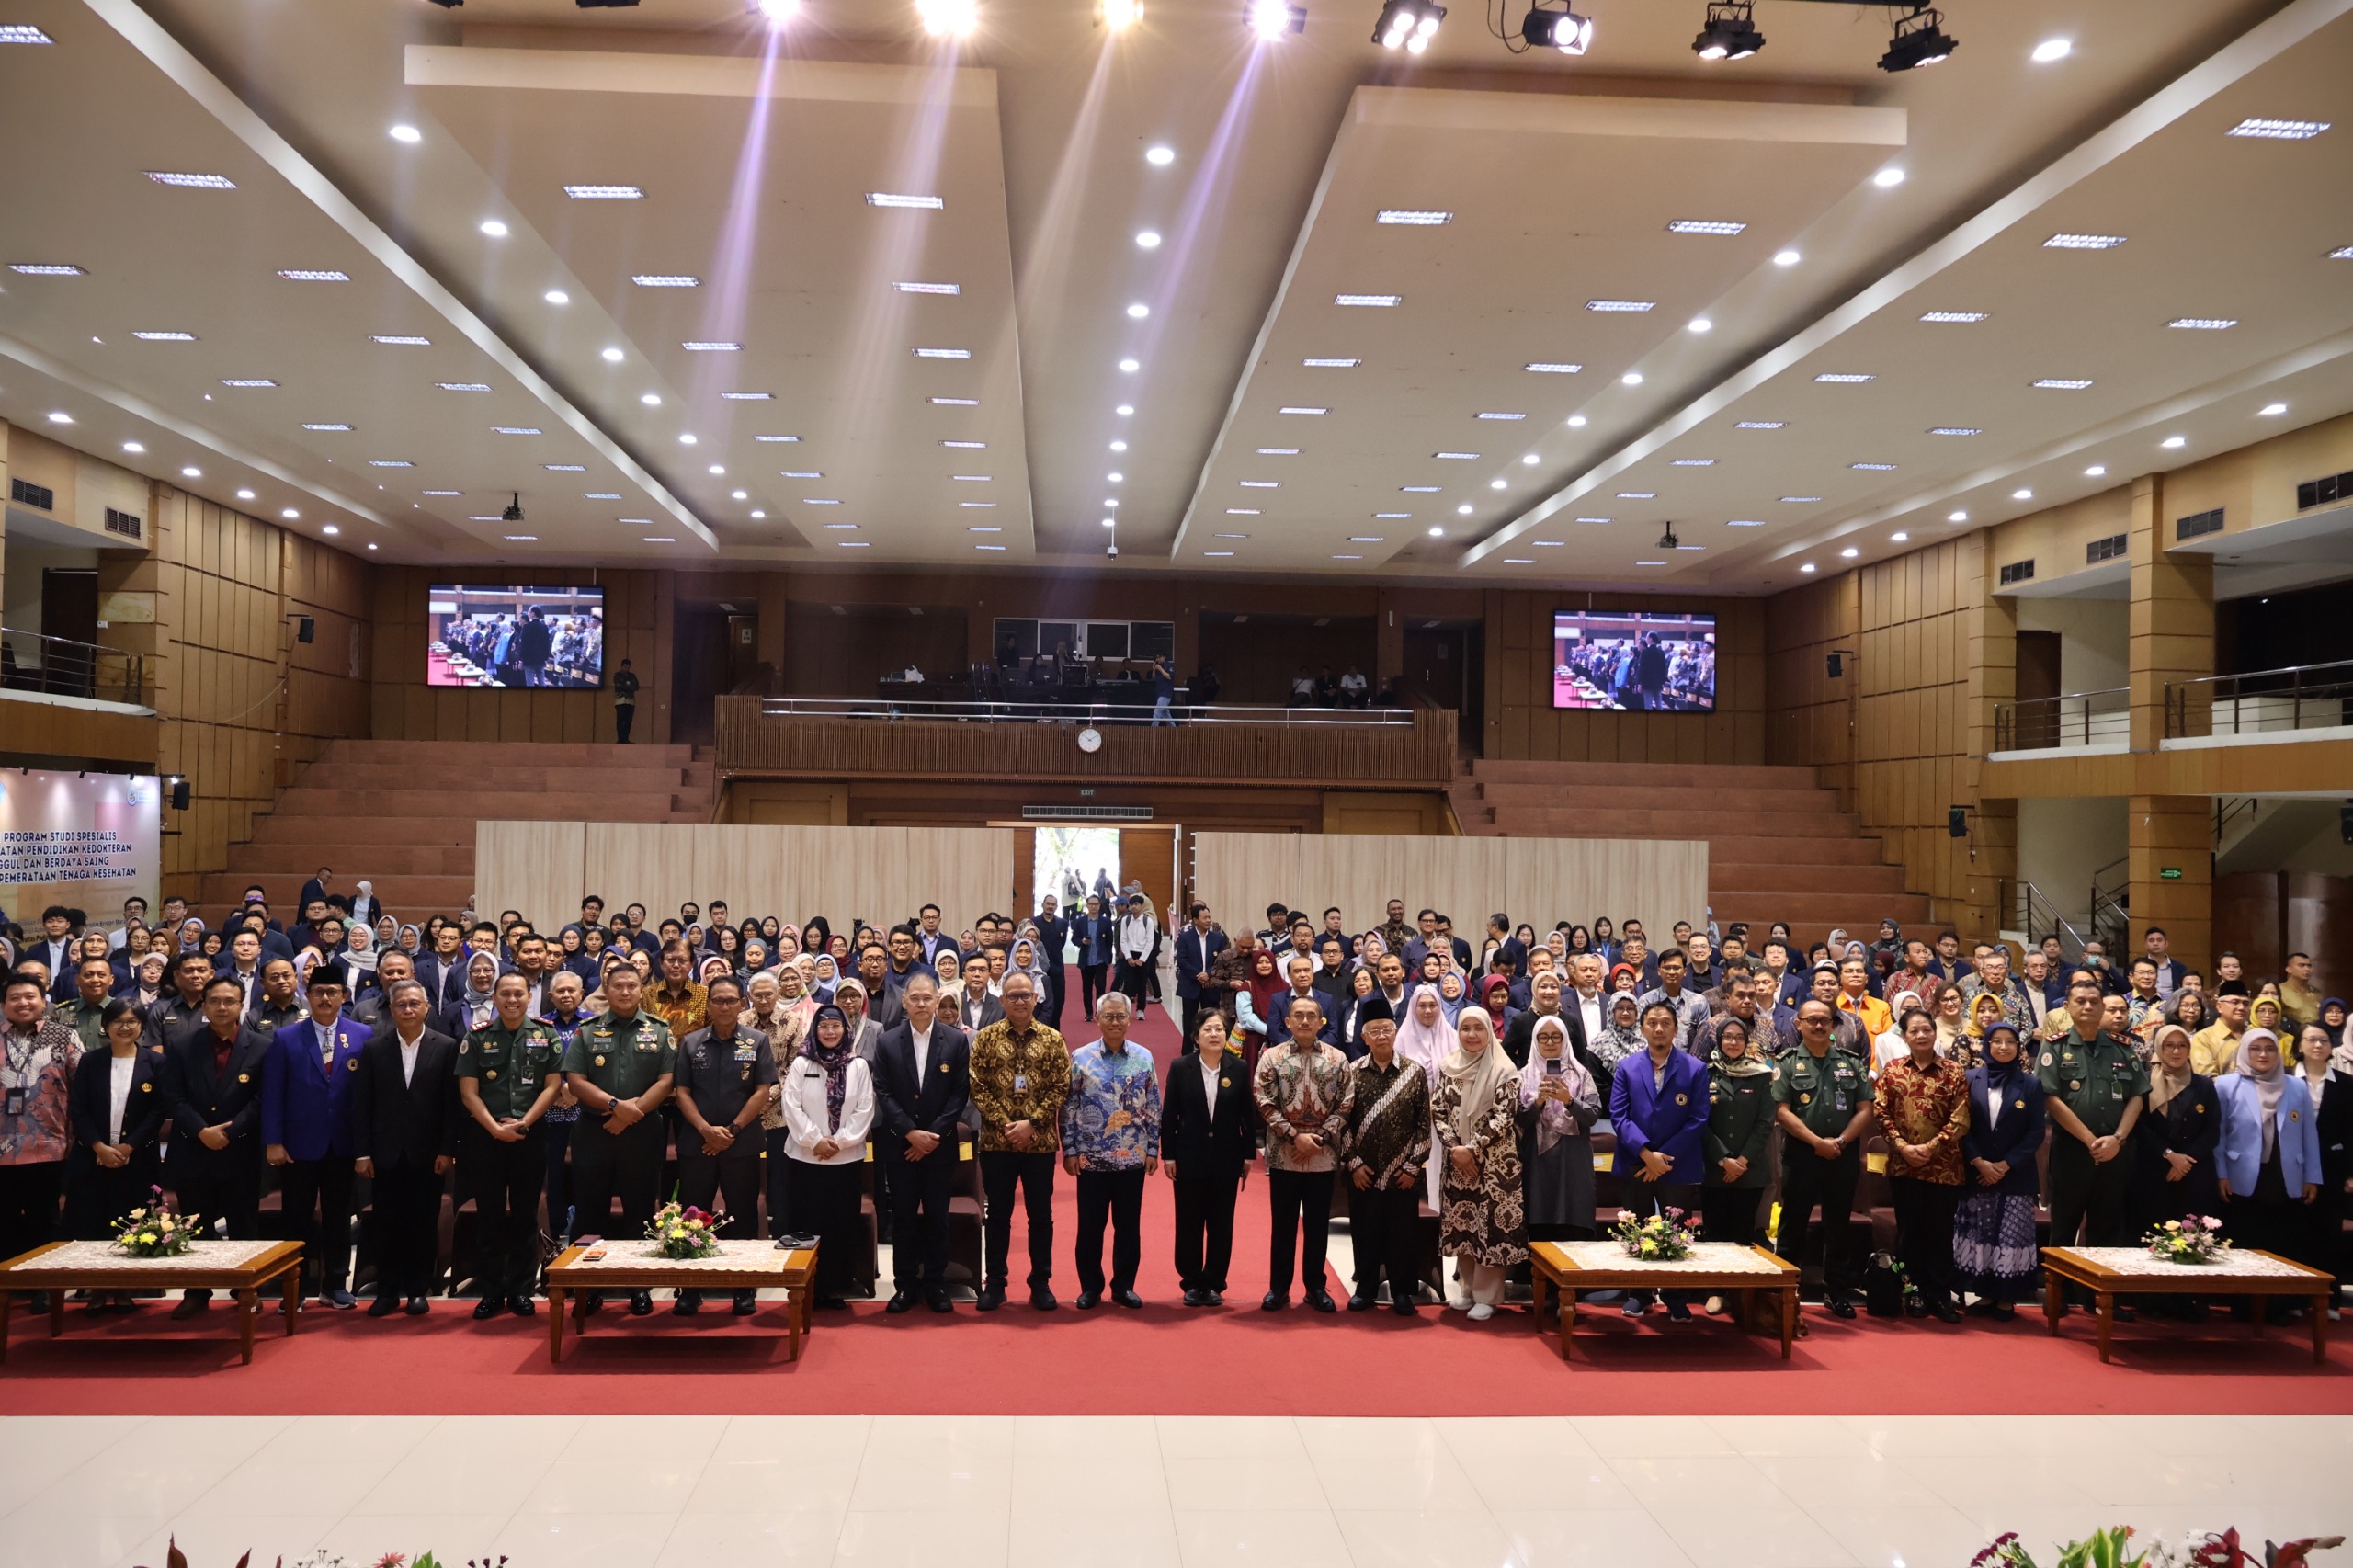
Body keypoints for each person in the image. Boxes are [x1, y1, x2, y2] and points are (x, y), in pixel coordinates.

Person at [560, 963, 676, 1316]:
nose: (625, 992)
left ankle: (638, 1287)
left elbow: (667, 1080)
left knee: (640, 1212)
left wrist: (630, 1114)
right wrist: (614, 1106)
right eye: (618, 986)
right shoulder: (587, 1031)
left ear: (642, 989)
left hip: (641, 1133)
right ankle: (588, 1287)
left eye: (632, 986)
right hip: (594, 1131)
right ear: (606, 991)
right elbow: (575, 1080)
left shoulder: (660, 1031)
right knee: (589, 1212)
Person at [452, 971, 564, 1319]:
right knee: (488, 1217)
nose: (512, 1000)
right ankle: (490, 1290)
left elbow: (552, 1086)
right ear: (496, 998)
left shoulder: (546, 1036)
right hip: (485, 1139)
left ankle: (519, 1289)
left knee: (524, 1215)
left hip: (530, 1137)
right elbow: (468, 1092)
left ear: (529, 997)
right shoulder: (477, 1036)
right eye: (506, 994)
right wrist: (494, 1128)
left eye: (519, 993)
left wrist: (523, 1123)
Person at [261, 967, 369, 1310]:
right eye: (318, 991)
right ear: (307, 995)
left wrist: (365, 1147)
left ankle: (335, 1284)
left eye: (332, 992)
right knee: (297, 1218)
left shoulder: (363, 1035)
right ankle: (296, 1287)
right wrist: (274, 1141)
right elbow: (273, 1094)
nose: (325, 998)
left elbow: (367, 1098)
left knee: (339, 1218)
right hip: (297, 1146)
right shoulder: (286, 1038)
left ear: (344, 996)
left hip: (343, 1145)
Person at [161, 975, 269, 1317]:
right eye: (215, 1001)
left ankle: (246, 1289)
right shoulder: (182, 1045)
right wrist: (201, 1131)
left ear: (242, 1005)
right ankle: (197, 1291)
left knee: (244, 1225)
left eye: (230, 1001)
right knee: (195, 1225)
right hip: (193, 1150)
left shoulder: (263, 1046)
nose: (222, 1007)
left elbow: (263, 1099)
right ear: (205, 1005)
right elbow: (172, 1097)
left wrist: (232, 1131)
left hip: (241, 1151)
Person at [2040, 977, 2150, 1314]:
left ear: (2103, 1007)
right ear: (2067, 1007)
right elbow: (2051, 1098)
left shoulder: (2121, 1047)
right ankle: (2058, 1297)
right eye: (2080, 1001)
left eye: (2093, 1001)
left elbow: (2137, 1097)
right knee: (2064, 1226)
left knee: (2106, 1226)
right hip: (2073, 1151)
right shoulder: (2055, 1047)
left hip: (2115, 1151)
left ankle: (2098, 1299)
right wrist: (2090, 1140)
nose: (2088, 1006)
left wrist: (2117, 1139)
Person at [352, 976, 458, 1317]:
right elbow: (362, 1105)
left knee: (423, 1223)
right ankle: (387, 1291)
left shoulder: (446, 1046)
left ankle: (417, 1289)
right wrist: (363, 1152)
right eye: (402, 1004)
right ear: (392, 1009)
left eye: (415, 1003)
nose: (408, 1009)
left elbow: (450, 1105)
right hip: (384, 1154)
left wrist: (447, 1149)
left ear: (427, 1007)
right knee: (386, 1223)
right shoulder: (373, 1048)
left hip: (428, 1155)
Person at [969, 971, 1069, 1311]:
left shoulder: (1053, 1039)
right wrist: (1007, 1124)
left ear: (1036, 997)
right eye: (1013, 996)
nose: (1020, 1001)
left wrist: (1033, 1122)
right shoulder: (986, 1037)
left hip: (1039, 1144)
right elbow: (977, 1085)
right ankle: (995, 1282)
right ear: (1002, 1000)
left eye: (1026, 995)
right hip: (997, 1143)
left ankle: (1040, 1282)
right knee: (998, 1214)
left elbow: (1061, 1085)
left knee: (1041, 1214)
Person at [872, 971, 968, 1314]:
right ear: (905, 1001)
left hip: (940, 1147)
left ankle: (936, 1284)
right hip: (900, 1147)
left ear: (938, 999)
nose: (922, 1004)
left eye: (928, 998)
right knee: (905, 1219)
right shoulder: (887, 1040)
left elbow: (959, 1094)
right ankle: (905, 1285)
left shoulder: (956, 1041)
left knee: (938, 1218)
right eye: (915, 998)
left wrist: (933, 1135)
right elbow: (882, 1090)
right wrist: (910, 1133)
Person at [1772, 997, 1874, 1318]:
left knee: (1838, 1225)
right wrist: (1817, 1141)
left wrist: (1840, 1141)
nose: (1818, 1025)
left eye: (1824, 1020)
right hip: (1802, 1154)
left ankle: (1836, 1290)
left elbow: (1866, 1109)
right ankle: (1786, 1292)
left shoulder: (1850, 1061)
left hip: (1841, 1154)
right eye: (1811, 1020)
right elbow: (1780, 1110)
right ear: (1798, 1024)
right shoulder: (1786, 1063)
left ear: (1832, 1025)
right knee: (1793, 1224)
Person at [1608, 999, 1711, 1319]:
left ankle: (1675, 1295)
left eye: (1665, 1023)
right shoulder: (1626, 1067)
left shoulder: (1695, 1068)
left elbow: (1698, 1119)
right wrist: (1646, 1154)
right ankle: (1639, 1293)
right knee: (1636, 1228)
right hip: (1636, 1163)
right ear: (1642, 1029)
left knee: (1678, 1230)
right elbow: (1619, 1116)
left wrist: (1663, 1159)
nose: (1658, 1029)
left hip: (1677, 1164)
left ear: (1676, 1028)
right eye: (1652, 1022)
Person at [1059, 992, 1161, 1309]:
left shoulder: (1143, 1057)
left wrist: (1153, 1148)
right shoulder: (1080, 1057)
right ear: (1099, 1019)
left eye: (1120, 1017)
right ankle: (1090, 1287)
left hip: (1132, 1158)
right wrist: (1070, 1149)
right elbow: (1068, 1106)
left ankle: (1123, 1286)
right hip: (1091, 1159)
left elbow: (1154, 1106)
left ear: (1129, 1020)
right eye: (1109, 1016)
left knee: (1128, 1226)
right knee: (1090, 1226)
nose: (1115, 1022)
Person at [1254, 991, 1354, 1312]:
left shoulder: (1338, 1059)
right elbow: (1263, 1100)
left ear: (1322, 1021)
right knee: (1283, 1227)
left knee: (1316, 1228)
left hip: (1323, 1158)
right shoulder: (1272, 1057)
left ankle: (1315, 1288)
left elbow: (1347, 1103)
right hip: (1285, 1157)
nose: (1306, 1021)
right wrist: (1294, 1136)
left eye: (1312, 1015)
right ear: (1288, 1021)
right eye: (1299, 1015)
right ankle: (1279, 1289)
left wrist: (1321, 1139)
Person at [63, 999, 164, 1309]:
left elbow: (158, 1111)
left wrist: (128, 1146)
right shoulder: (91, 1061)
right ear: (105, 1026)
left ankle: (123, 1287)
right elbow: (78, 1110)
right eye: (117, 1021)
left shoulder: (156, 1063)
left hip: (136, 1157)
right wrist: (98, 1147)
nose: (124, 1026)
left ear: (142, 1026)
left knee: (129, 1221)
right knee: (92, 1220)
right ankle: (95, 1288)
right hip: (92, 1157)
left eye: (132, 1021)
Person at [1873, 1006, 1970, 1323]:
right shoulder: (1893, 1071)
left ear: (1934, 1032)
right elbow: (1881, 1112)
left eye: (1926, 1029)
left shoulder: (1954, 1072)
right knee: (1910, 1233)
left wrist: (1931, 1147)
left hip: (1944, 1167)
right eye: (1914, 1031)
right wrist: (1902, 1147)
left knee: (1940, 1233)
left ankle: (1940, 1294)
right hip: (1904, 1167)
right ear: (1904, 1036)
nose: (1921, 1035)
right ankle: (1912, 1290)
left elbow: (1960, 1118)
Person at [2215, 1028, 2322, 1305]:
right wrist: (2221, 1174)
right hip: (2242, 1176)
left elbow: (2309, 1133)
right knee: (2246, 1239)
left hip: (2285, 1173)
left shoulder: (2296, 1085)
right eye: (2256, 1048)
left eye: (2270, 1049)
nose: (2263, 1054)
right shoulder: (2227, 1085)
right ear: (2245, 1051)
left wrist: (2312, 1176)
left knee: (2281, 1238)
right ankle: (2243, 1305)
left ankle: (2278, 1305)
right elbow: (2219, 1136)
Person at [1341, 996, 1432, 1314]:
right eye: (1374, 1031)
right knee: (1365, 1230)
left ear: (1396, 1033)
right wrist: (1353, 1163)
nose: (1381, 1036)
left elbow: (1424, 1126)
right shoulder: (1351, 1073)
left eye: (1386, 1030)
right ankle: (1365, 1287)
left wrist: (1411, 1167)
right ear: (1364, 1037)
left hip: (1401, 1175)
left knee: (1402, 1233)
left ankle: (1402, 1290)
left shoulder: (1414, 1073)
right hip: (1363, 1173)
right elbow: (1343, 1124)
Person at [779, 1004, 874, 1311]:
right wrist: (815, 1141)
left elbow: (864, 1109)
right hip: (805, 1159)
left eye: (836, 1026)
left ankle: (835, 1287)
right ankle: (805, 1287)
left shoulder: (858, 1065)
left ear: (846, 1030)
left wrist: (839, 1142)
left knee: (840, 1223)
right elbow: (791, 1106)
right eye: (824, 1026)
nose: (830, 1032)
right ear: (814, 1030)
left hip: (845, 1160)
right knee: (806, 1222)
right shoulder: (801, 1063)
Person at [1161, 1011, 1255, 1307]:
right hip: (1189, 1157)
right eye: (1208, 1029)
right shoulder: (1180, 1067)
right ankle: (1191, 1281)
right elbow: (1169, 1114)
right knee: (1188, 1222)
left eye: (1220, 1029)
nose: (1215, 1034)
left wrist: (1249, 1155)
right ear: (1196, 1035)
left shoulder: (1238, 1068)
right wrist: (1169, 1155)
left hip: (1227, 1158)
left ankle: (1214, 1282)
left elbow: (1247, 1115)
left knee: (1221, 1223)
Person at [1953, 1024, 2045, 1319]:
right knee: (1981, 1234)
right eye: (1997, 1041)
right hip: (1977, 1171)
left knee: (2010, 1237)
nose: (2004, 1047)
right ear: (1986, 1045)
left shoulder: (2030, 1084)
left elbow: (2035, 1133)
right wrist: (1978, 1161)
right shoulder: (1969, 1079)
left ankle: (2006, 1298)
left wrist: (2005, 1165)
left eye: (2010, 1042)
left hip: (2015, 1174)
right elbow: (1961, 1126)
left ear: (2019, 1047)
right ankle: (1984, 1294)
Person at [1518, 1013, 1602, 1256]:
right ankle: (1540, 1285)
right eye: (1543, 1037)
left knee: (1573, 1213)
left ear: (1565, 1039)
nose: (1550, 1042)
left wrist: (1569, 1101)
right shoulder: (1523, 1076)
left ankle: (1572, 1283)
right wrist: (1539, 1101)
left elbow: (1593, 1114)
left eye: (1556, 1036)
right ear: (1535, 1040)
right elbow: (1520, 1119)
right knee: (1538, 1214)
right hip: (1536, 1161)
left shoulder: (1581, 1074)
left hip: (1572, 1160)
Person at [1699, 1014, 1773, 1267]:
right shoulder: (1705, 1074)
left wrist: (1741, 1160)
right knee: (1714, 1235)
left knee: (1743, 1236)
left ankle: (1742, 1294)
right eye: (1727, 1037)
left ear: (1746, 1041)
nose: (1733, 1042)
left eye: (1739, 1037)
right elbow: (1700, 1122)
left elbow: (1765, 1123)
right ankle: (1716, 1290)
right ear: (1719, 1040)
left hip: (1749, 1170)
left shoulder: (1761, 1075)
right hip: (1714, 1169)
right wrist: (1723, 1159)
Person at [2292, 1022, 2348, 1303]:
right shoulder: (2285, 1078)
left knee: (2328, 1233)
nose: (2317, 1045)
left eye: (2324, 1041)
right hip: (2292, 1167)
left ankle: (2329, 1299)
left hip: (2333, 1167)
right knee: (2296, 1233)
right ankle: (2296, 1299)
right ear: (2299, 1045)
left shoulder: (2347, 1083)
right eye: (2311, 1040)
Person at [1174, 903, 1228, 1047]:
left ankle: (1207, 1049)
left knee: (1210, 1020)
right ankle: (1187, 1052)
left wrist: (1208, 974)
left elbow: (1220, 961)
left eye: (1209, 917)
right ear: (1195, 920)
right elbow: (1181, 960)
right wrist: (1198, 975)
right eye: (1205, 918)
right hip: (1191, 985)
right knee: (1189, 1022)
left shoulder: (1218, 939)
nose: (1208, 920)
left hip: (1210, 986)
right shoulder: (1185, 937)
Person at [612, 656, 639, 743]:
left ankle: (626, 739)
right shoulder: (617, 675)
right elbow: (618, 685)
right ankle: (620, 739)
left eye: (628, 667)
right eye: (625, 667)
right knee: (620, 720)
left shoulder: (632, 676)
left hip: (630, 701)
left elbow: (637, 687)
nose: (626, 669)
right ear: (621, 666)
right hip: (620, 700)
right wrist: (629, 686)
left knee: (628, 721)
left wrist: (625, 686)